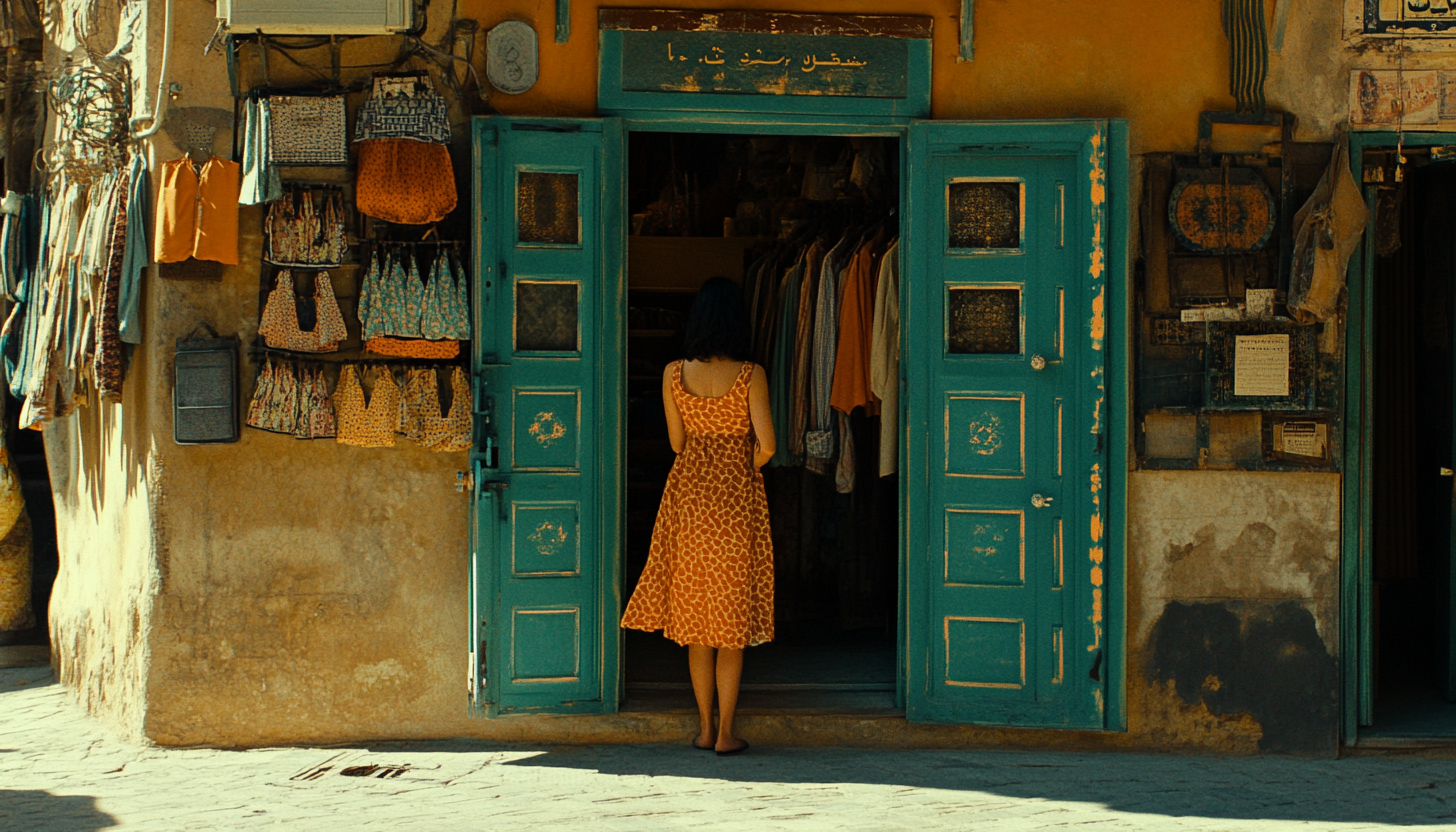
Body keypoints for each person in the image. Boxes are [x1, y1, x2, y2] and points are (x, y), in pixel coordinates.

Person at [621, 276, 776, 756]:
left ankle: (703, 728)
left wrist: (705, 461)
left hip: (688, 498)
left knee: (696, 623)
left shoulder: (672, 374)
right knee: (728, 623)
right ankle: (727, 732)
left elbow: (676, 443)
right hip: (734, 502)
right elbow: (767, 445)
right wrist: (739, 466)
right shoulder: (751, 374)